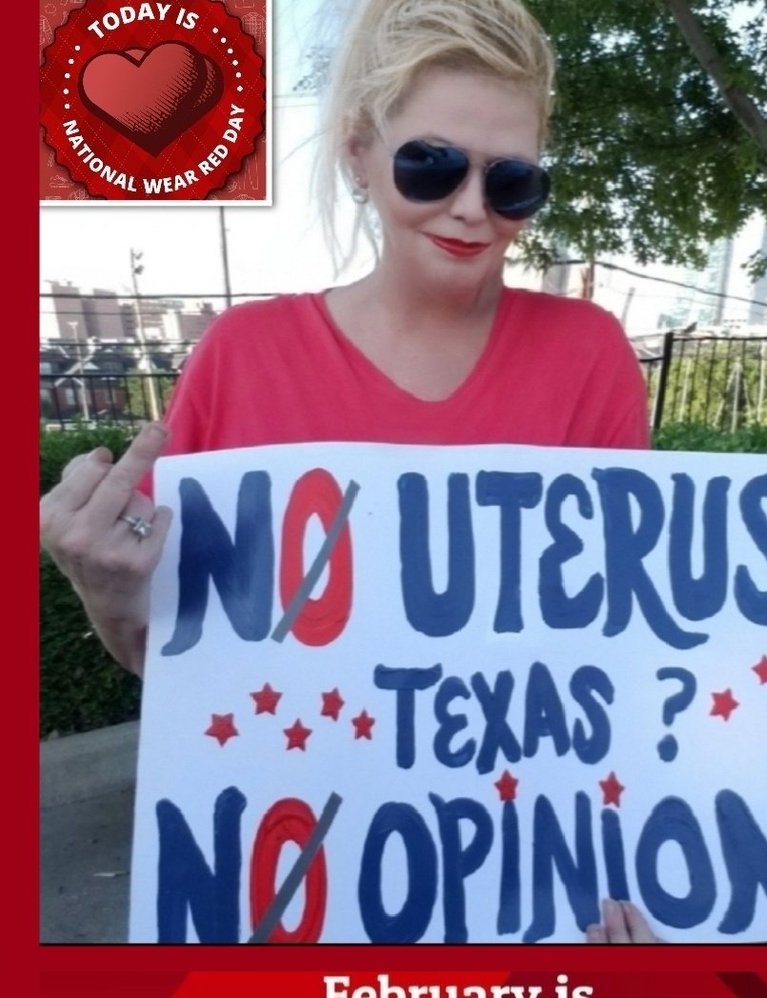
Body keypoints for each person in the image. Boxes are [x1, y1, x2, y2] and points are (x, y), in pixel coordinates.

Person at [40, 0, 655, 942]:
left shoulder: (590, 354)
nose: (469, 208)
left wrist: (624, 862)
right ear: (360, 153)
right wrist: (103, 590)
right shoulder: (244, 355)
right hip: (298, 896)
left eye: (513, 182)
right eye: (432, 163)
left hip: (531, 892)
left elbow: (622, 654)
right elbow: (180, 661)